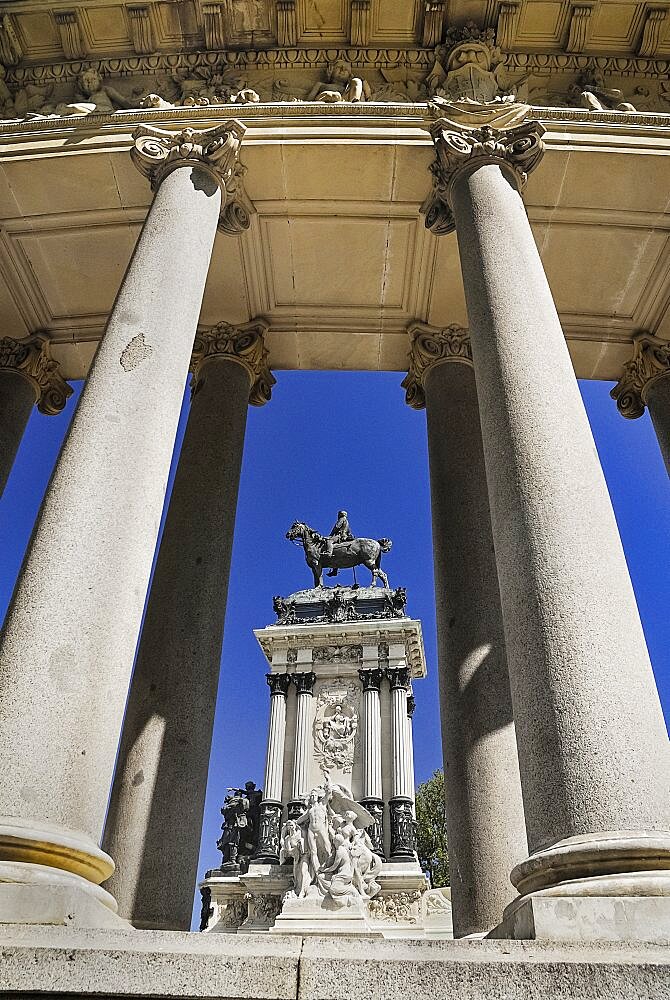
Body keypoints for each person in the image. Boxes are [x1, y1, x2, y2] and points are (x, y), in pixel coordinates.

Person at [324, 510, 354, 576]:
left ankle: (329, 553)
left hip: (339, 536)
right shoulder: (347, 521)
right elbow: (349, 531)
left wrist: (330, 535)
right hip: (345, 536)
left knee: (329, 541)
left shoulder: (341, 519)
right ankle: (335, 570)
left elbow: (336, 527)